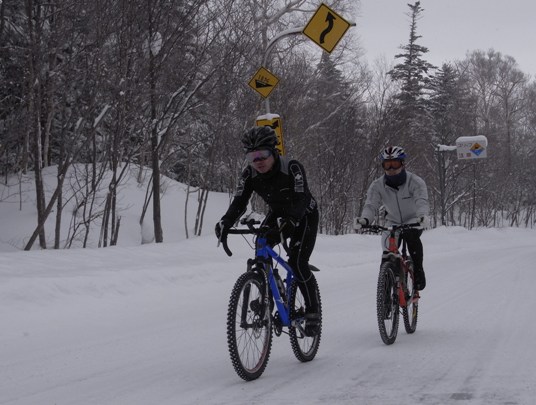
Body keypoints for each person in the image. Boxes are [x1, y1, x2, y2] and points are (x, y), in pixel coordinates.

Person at [215, 126, 320, 336]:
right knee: (261, 243)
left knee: (297, 263)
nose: (258, 161)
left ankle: (312, 312)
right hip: (279, 212)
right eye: (252, 156)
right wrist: (226, 222)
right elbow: (239, 201)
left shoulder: (292, 168)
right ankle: (267, 293)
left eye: (262, 154)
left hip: (305, 214)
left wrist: (291, 221)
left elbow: (301, 198)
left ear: (274, 151)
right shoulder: (249, 174)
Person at [354, 146, 430, 290]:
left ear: (402, 163)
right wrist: (365, 220)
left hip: (413, 220)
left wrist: (422, 216)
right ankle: (386, 289)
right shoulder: (377, 185)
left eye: (394, 164)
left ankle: (418, 271)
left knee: (412, 239)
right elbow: (371, 205)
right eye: (387, 164)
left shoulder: (415, 182)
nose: (391, 168)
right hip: (393, 221)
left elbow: (421, 201)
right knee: (387, 251)